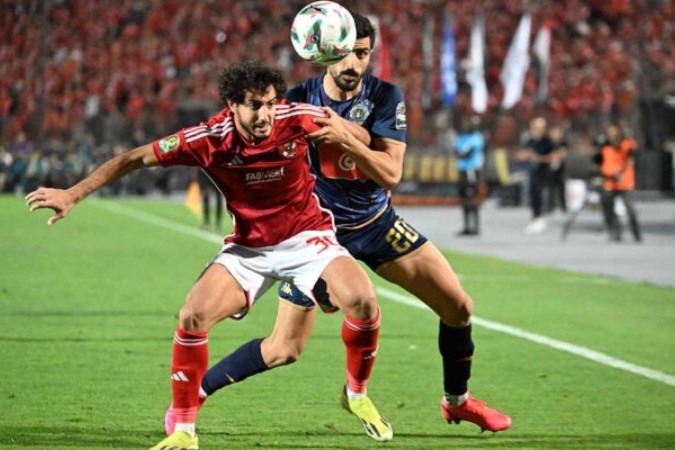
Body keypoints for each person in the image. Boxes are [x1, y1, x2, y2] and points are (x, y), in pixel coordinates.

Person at [173, 13, 511, 439]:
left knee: (458, 307)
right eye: (346, 53)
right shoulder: (296, 99)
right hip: (317, 236)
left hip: (376, 222)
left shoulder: (386, 97)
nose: (353, 63)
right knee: (283, 349)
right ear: (325, 53)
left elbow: (390, 174)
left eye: (363, 54)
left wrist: (347, 138)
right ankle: (198, 390)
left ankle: (456, 402)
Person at [26, 60, 391, 449]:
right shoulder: (206, 137)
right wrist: (72, 194)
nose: (265, 114)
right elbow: (134, 158)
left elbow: (363, 140)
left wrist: (346, 131)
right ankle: (184, 431)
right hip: (249, 248)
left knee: (363, 302)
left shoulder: (297, 117)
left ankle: (356, 394)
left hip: (307, 237)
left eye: (269, 103)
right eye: (254, 105)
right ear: (232, 104)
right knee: (192, 315)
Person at [599, 123, 642, 242]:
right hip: (609, 182)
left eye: (614, 132)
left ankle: (636, 233)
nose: (612, 135)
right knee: (608, 208)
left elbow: (631, 158)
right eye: (609, 132)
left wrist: (621, 173)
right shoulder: (604, 147)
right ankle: (615, 232)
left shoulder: (626, 145)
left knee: (630, 209)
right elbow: (600, 162)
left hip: (625, 182)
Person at [519, 117, 555, 234]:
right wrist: (524, 156)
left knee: (541, 195)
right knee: (533, 195)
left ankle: (541, 218)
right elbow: (521, 154)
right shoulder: (530, 141)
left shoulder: (547, 141)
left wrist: (538, 158)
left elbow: (553, 157)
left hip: (543, 172)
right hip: (532, 171)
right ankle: (535, 217)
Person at [454, 115, 485, 236]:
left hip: (471, 170)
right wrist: (461, 153)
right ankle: (467, 226)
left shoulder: (477, 138)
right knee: (464, 198)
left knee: (472, 198)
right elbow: (457, 151)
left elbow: (466, 154)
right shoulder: (462, 137)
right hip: (462, 170)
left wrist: (461, 153)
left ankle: (475, 227)